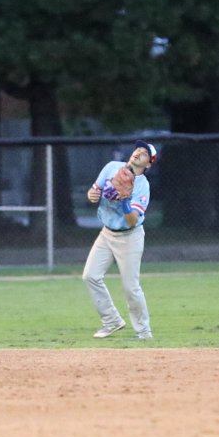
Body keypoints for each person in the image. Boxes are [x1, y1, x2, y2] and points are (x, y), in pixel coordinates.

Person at [82, 139, 157, 339]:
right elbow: (93, 192)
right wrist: (92, 195)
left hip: (130, 237)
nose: (138, 153)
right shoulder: (111, 167)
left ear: (149, 164)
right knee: (90, 276)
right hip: (107, 233)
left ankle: (144, 331)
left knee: (130, 287)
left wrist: (125, 200)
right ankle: (112, 321)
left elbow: (132, 221)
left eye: (144, 153)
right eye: (137, 150)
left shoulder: (143, 186)